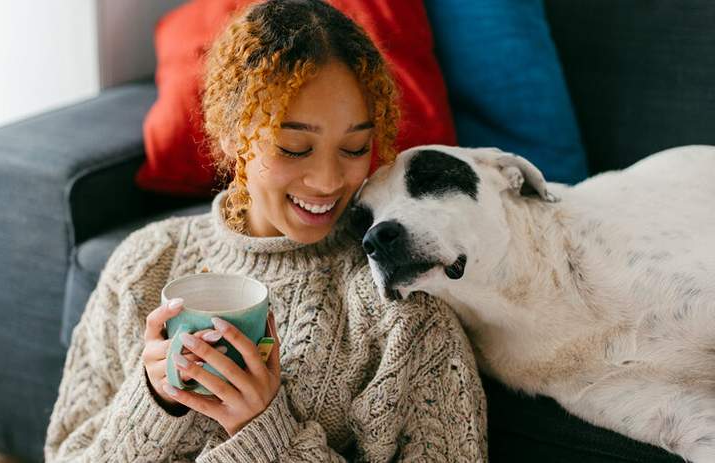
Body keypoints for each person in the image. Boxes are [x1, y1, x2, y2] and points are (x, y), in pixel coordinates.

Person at [44, 0, 486, 461]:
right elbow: (64, 452)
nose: (329, 180)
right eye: (295, 148)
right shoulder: (145, 265)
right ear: (233, 135)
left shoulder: (403, 312)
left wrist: (266, 437)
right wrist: (153, 401)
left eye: (355, 147)